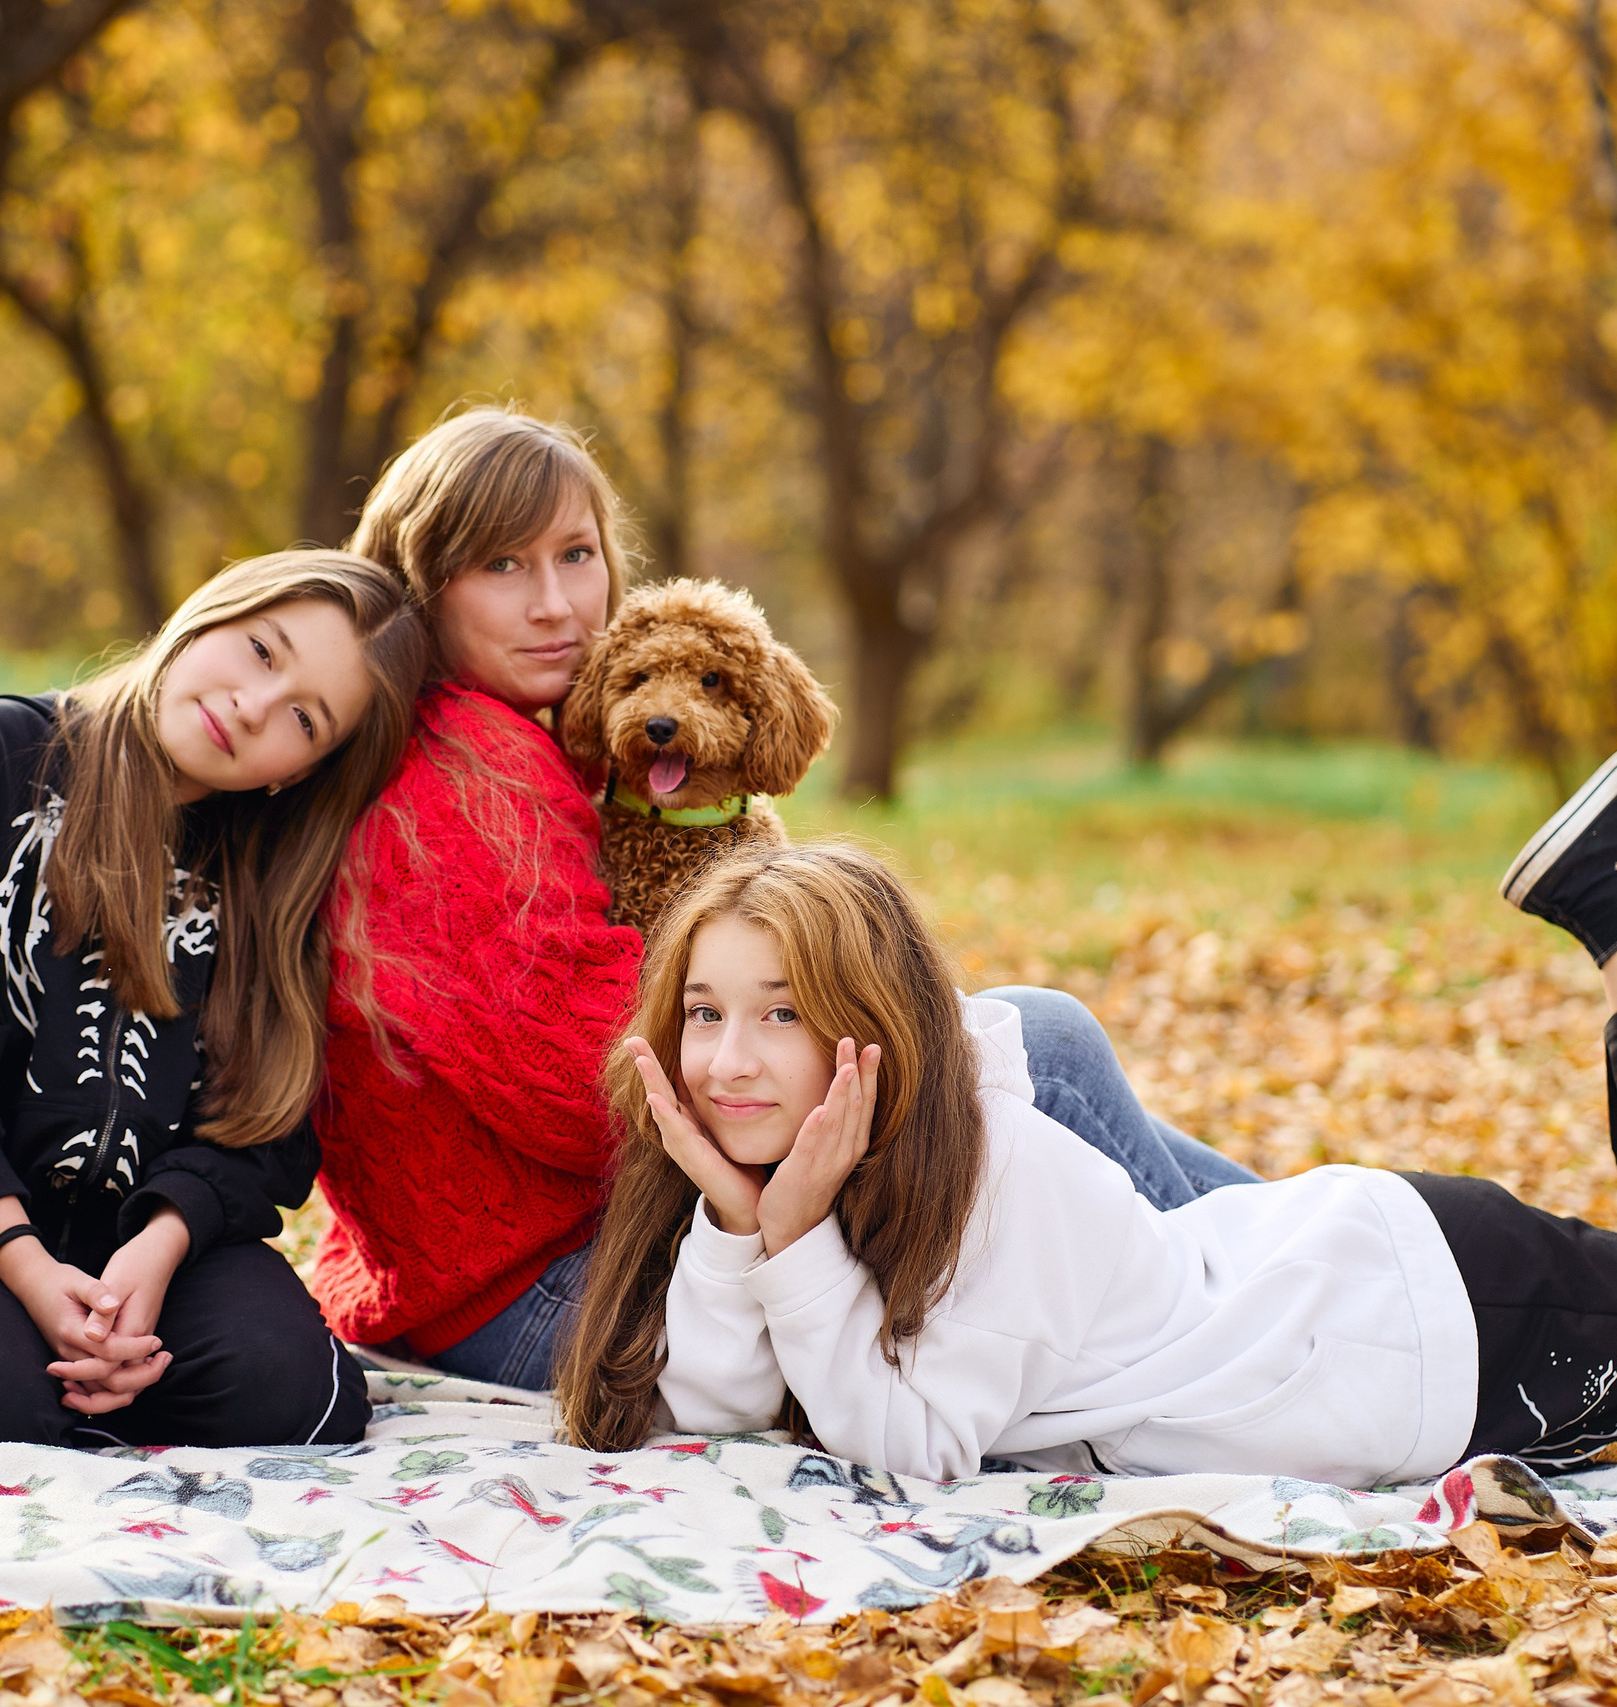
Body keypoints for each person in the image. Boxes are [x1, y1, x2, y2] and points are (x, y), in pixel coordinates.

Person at [559, 744, 1617, 1481]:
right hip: (1373, 1314)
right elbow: (709, 1400)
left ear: (865, 1033)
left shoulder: (995, 1176)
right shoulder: (797, 1174)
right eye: (703, 1011)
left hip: (1435, 1315)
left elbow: (910, 1444)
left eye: (779, 1012)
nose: (730, 1059)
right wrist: (741, 1221)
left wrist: (787, 1230)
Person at [308, 406, 1250, 1392]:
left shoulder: (506, 744)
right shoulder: (461, 782)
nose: (555, 604)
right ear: (420, 584)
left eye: (576, 554)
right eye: (501, 566)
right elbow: (592, 1086)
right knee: (1040, 1057)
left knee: (1028, 1078)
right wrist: (842, 1043)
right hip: (541, 1286)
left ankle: (1311, 1264)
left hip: (517, 1259)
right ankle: (1306, 1289)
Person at [0, 549, 426, 1449]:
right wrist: (27, 1265)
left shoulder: (271, 887)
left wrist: (154, 1253)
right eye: (263, 652)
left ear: (298, 772)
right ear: (211, 613)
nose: (253, 705)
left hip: (148, 1256)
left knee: (302, 1395)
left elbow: (265, 1123)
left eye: (304, 720)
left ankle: (93, 1378)